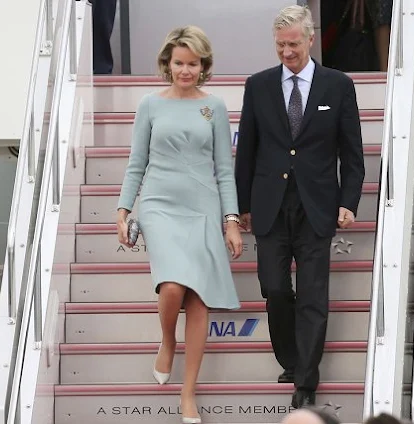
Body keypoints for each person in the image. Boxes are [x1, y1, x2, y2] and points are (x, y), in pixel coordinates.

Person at [235, 4, 365, 409]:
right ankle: (291, 359)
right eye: (280, 45)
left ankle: (306, 380)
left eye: (293, 44)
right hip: (269, 204)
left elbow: (352, 152)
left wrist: (349, 201)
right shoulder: (257, 85)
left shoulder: (337, 85)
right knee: (274, 288)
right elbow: (248, 152)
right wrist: (241, 206)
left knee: (312, 294)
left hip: (318, 205)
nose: (287, 52)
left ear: (310, 39)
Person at [116, 25, 243, 423]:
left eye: (192, 64)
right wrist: (123, 209)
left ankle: (188, 394)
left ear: (203, 67)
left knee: (199, 297)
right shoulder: (150, 105)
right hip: (159, 204)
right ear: (167, 64)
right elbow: (137, 162)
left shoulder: (215, 107)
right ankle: (168, 339)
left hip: (203, 206)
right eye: (178, 63)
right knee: (172, 285)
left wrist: (231, 221)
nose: (185, 70)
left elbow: (225, 169)